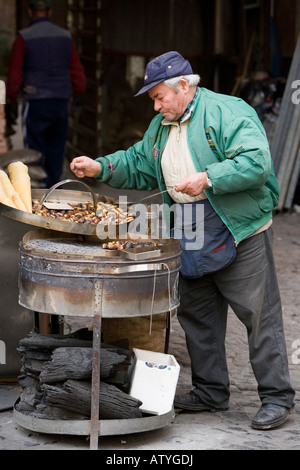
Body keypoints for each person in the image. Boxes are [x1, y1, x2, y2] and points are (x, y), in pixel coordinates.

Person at [70, 51, 295, 430]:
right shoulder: (162, 125)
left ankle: (276, 397)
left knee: (258, 315)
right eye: (154, 100)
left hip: (238, 225)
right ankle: (210, 392)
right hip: (189, 224)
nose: (156, 106)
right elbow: (140, 162)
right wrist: (100, 167)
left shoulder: (228, 111)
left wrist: (208, 178)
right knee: (197, 315)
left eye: (159, 97)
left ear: (185, 86)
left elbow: (256, 162)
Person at [6, 0, 86, 188]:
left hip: (35, 102)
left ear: (30, 11)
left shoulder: (23, 38)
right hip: (60, 101)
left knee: (34, 150)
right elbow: (76, 69)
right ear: (49, 11)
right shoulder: (65, 37)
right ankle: (54, 188)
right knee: (56, 148)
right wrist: (79, 93)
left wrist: (11, 100)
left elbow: (15, 74)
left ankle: (38, 192)